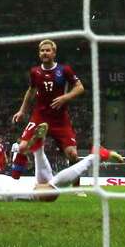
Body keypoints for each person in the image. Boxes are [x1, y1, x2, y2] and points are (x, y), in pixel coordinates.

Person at [10, 39, 84, 177]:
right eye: (42, 51)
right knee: (22, 147)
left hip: (60, 119)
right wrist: (22, 111)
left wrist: (65, 97)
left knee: (72, 154)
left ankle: (76, 186)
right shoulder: (35, 72)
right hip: (40, 116)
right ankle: (14, 181)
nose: (45, 53)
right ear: (39, 54)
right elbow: (31, 91)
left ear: (54, 53)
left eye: (48, 50)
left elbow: (80, 87)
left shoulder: (64, 70)